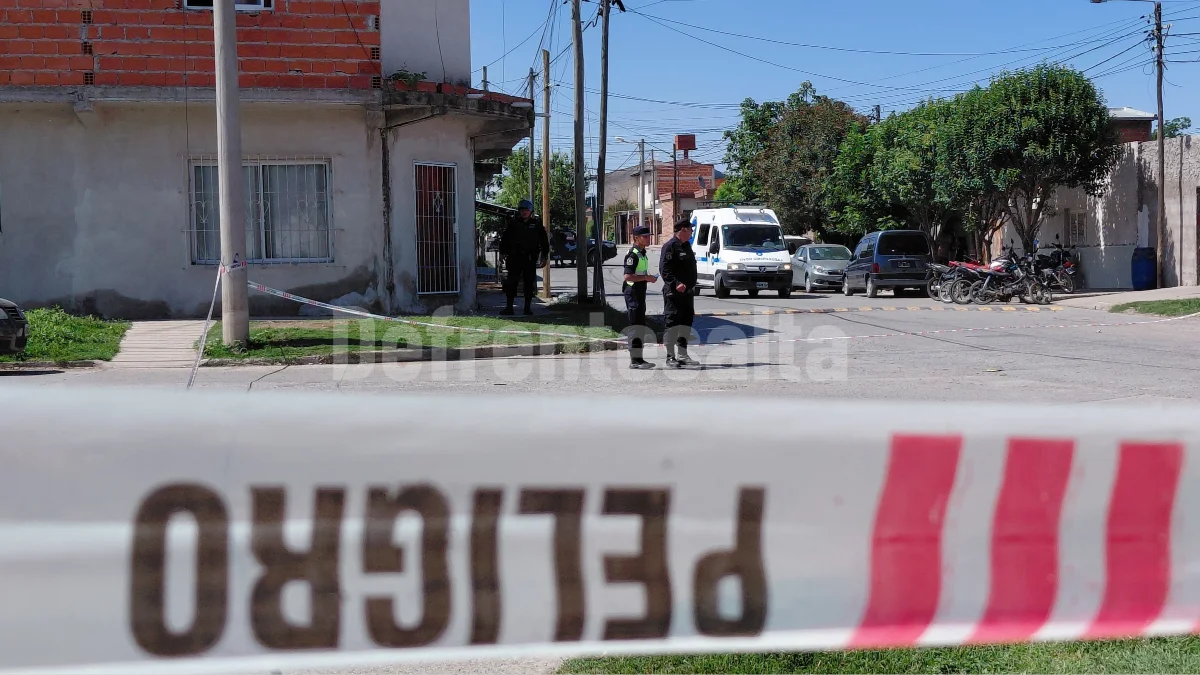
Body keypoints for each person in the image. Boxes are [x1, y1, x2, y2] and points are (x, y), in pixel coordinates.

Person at [658, 218, 698, 368]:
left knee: (686, 323)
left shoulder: (686, 245)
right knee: (672, 323)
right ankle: (670, 357)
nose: (692, 232)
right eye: (690, 229)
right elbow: (664, 269)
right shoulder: (670, 247)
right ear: (683, 230)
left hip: (687, 293)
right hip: (674, 293)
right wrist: (676, 284)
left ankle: (683, 354)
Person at [499, 199, 549, 316]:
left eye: (526, 210)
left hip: (529, 259)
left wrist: (544, 257)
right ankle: (509, 308)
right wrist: (502, 253)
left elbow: (544, 242)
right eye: (522, 210)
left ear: (531, 211)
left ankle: (527, 308)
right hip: (515, 258)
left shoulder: (536, 225)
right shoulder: (513, 223)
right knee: (511, 283)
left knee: (529, 284)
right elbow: (505, 239)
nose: (524, 212)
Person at [623, 225, 659, 370]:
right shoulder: (633, 255)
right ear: (636, 238)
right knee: (636, 326)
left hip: (639, 292)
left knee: (640, 325)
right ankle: (635, 360)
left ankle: (639, 359)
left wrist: (647, 278)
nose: (648, 238)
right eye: (645, 236)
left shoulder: (642, 252)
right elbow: (628, 276)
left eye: (648, 235)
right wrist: (647, 277)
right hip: (633, 292)